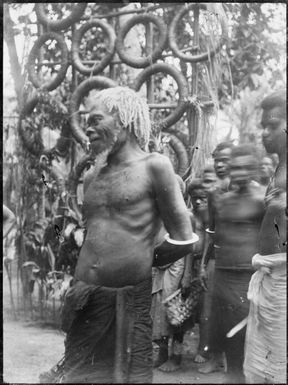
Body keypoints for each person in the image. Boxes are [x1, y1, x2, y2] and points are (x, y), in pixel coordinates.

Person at [44, 87, 197, 384]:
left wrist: (140, 261)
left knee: (131, 376)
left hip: (129, 298)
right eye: (86, 122)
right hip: (85, 296)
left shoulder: (155, 166)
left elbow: (185, 238)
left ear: (124, 120)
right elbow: (96, 233)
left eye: (95, 120)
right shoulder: (92, 176)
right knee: (83, 376)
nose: (87, 128)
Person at [204, 145, 265, 383]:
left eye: (245, 168)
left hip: (251, 278)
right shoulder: (218, 198)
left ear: (254, 169)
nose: (239, 173)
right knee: (231, 345)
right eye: (235, 168)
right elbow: (213, 234)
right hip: (223, 277)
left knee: (256, 344)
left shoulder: (264, 198)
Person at [243, 90, 286, 384]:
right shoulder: (280, 169)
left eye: (272, 125)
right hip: (271, 280)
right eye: (263, 126)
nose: (264, 133)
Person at [198, 141, 234, 374]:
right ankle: (214, 357)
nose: (220, 164)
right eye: (217, 159)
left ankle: (234, 360)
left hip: (241, 259)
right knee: (211, 310)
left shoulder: (249, 190)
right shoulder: (213, 193)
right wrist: (202, 264)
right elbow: (209, 232)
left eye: (226, 160)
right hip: (217, 257)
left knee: (236, 309)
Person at [151, 175, 194, 372]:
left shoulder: (184, 214)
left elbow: (189, 249)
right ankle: (160, 353)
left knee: (175, 310)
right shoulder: (156, 214)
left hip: (177, 267)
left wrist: (186, 276)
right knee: (158, 309)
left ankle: (176, 357)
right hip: (158, 266)